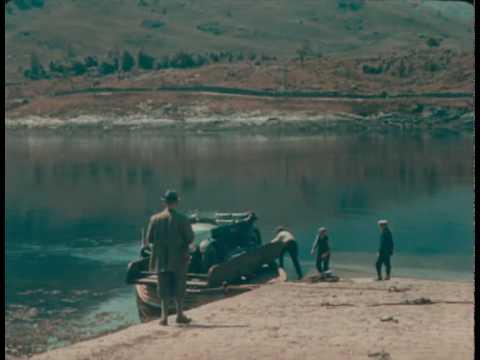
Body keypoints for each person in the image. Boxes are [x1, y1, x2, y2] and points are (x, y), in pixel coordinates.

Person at [144, 190, 195, 326]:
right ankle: (179, 315)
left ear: (164, 202)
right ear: (177, 202)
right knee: (179, 286)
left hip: (161, 259)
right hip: (179, 259)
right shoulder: (183, 219)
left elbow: (150, 239)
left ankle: (164, 318)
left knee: (163, 288)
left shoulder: (154, 219)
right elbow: (190, 238)